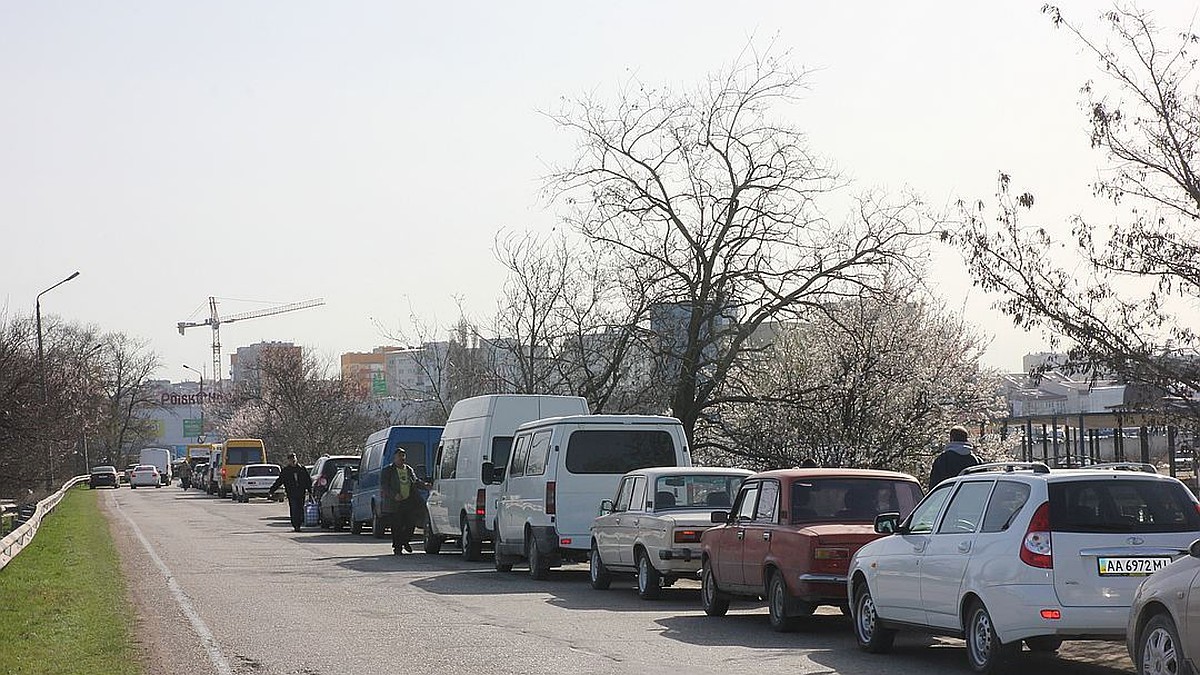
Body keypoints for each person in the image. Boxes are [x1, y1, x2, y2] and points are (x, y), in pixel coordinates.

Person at [380, 448, 430, 555]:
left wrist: (425, 485)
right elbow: (384, 486)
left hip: (408, 501)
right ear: (394, 457)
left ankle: (405, 541)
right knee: (397, 526)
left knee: (410, 524)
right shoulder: (388, 470)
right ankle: (397, 548)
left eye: (403, 456)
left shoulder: (408, 469)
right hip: (395, 503)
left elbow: (415, 481)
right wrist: (394, 495)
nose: (402, 458)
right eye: (399, 456)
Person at [268, 453, 313, 532]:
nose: (293, 460)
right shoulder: (286, 471)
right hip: (291, 493)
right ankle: (296, 525)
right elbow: (279, 481)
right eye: (291, 459)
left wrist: (310, 490)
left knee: (300, 509)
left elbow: (307, 481)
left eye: (294, 459)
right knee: (294, 508)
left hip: (301, 492)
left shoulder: (302, 469)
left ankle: (299, 524)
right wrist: (272, 490)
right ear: (288, 460)